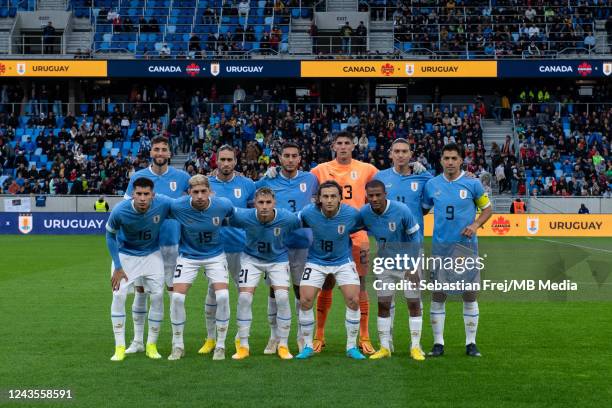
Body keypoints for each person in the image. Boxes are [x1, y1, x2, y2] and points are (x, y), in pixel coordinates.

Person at [309, 132, 378, 354]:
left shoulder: (367, 169)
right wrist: (272, 172)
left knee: (360, 286)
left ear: (353, 146)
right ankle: (319, 335)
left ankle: (364, 336)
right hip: (327, 235)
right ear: (333, 146)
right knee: (326, 283)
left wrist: (416, 167)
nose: (343, 147)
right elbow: (301, 185)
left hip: (357, 236)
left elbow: (387, 180)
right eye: (339, 143)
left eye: (347, 143)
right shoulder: (320, 170)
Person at [422, 143, 492, 358]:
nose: (450, 162)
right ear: (441, 160)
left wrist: (475, 225)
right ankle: (438, 343)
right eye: (446, 158)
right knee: (438, 294)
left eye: (454, 158)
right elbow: (422, 210)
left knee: (469, 295)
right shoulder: (432, 185)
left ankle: (471, 343)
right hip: (441, 249)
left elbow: (488, 209)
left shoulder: (473, 184)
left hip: (466, 249)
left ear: (462, 160)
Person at [122, 136, 191, 355]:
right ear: (150, 152)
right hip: (144, 246)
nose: (160, 153)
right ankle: (138, 341)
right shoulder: (139, 177)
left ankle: (176, 342)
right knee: (141, 292)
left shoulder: (182, 178)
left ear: (170, 154)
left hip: (172, 245)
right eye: (156, 149)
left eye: (164, 150)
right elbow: (126, 208)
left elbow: (194, 204)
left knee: (173, 294)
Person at [255, 142, 318, 353]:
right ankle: (274, 337)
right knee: (274, 291)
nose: (290, 159)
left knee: (301, 290)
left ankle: (302, 336)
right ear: (279, 158)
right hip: (276, 244)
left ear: (300, 158)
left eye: (294, 155)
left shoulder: (311, 179)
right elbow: (255, 205)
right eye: (286, 156)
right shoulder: (268, 180)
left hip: (302, 243)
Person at [296, 181, 366, 360]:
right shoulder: (308, 213)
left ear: (340, 199)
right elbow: (291, 222)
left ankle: (351, 346)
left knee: (353, 300)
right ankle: (307, 346)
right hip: (316, 261)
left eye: (333, 196)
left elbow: (368, 224)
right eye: (325, 196)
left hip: (343, 261)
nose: (329, 200)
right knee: (305, 300)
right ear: (318, 198)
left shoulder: (351, 214)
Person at [167, 175, 234, 361]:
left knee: (223, 296)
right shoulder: (178, 206)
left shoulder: (222, 205)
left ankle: (220, 345)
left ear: (210, 191)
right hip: (188, 256)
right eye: (195, 192)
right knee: (178, 298)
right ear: (189, 193)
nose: (199, 196)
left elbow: (235, 216)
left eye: (203, 191)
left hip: (215, 256)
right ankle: (178, 345)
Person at [229, 187, 301, 360]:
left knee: (282, 297)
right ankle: (243, 345)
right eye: (261, 202)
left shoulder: (287, 218)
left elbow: (305, 220)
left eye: (268, 202)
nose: (264, 206)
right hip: (251, 259)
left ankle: (282, 344)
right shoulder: (243, 216)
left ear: (274, 203)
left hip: (278, 259)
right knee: (245, 298)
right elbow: (222, 217)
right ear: (255, 203)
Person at [106, 177, 172, 361]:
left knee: (158, 296)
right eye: (139, 194)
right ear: (132, 195)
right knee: (118, 296)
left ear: (153, 195)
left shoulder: (163, 203)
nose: (142, 198)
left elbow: (183, 206)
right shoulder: (120, 210)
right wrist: (118, 266)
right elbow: (110, 236)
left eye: (146, 194)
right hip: (126, 256)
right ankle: (119, 347)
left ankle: (151, 344)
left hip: (152, 254)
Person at [373, 138, 430, 349]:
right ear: (390, 154)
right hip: (387, 249)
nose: (400, 155)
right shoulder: (380, 177)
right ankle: (386, 343)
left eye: (404, 151)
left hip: (413, 248)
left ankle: (416, 344)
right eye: (396, 151)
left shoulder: (423, 177)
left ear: (411, 154)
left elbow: (429, 202)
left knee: (413, 298)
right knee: (385, 299)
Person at [360, 180, 424, 360]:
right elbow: (352, 227)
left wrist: (413, 267)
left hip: (408, 262)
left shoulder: (402, 210)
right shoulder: (365, 213)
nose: (374, 198)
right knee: (383, 304)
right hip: (385, 264)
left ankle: (416, 347)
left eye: (378, 195)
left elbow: (415, 238)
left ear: (385, 194)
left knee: (413, 303)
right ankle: (385, 347)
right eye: (370, 196)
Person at [200, 145, 256, 355]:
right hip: (214, 249)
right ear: (216, 160)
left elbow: (253, 215)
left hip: (241, 248)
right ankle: (211, 338)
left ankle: (240, 339)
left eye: (229, 159)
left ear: (235, 161)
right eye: (222, 159)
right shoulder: (206, 184)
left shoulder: (247, 184)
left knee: (244, 294)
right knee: (213, 293)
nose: (226, 163)